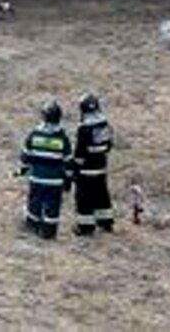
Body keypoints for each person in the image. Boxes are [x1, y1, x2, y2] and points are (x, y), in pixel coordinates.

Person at [18, 100, 72, 240]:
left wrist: (24, 169)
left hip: (36, 178)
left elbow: (25, 156)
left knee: (34, 202)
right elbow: (68, 161)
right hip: (55, 181)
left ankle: (32, 226)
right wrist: (68, 179)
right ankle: (49, 232)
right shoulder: (62, 138)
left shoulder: (34, 134)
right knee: (52, 206)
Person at [72, 93, 116, 235]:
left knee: (84, 198)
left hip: (86, 170)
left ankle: (85, 227)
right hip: (101, 167)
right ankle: (106, 222)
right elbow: (109, 145)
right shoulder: (104, 124)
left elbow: (80, 151)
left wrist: (75, 167)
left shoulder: (83, 128)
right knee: (102, 194)